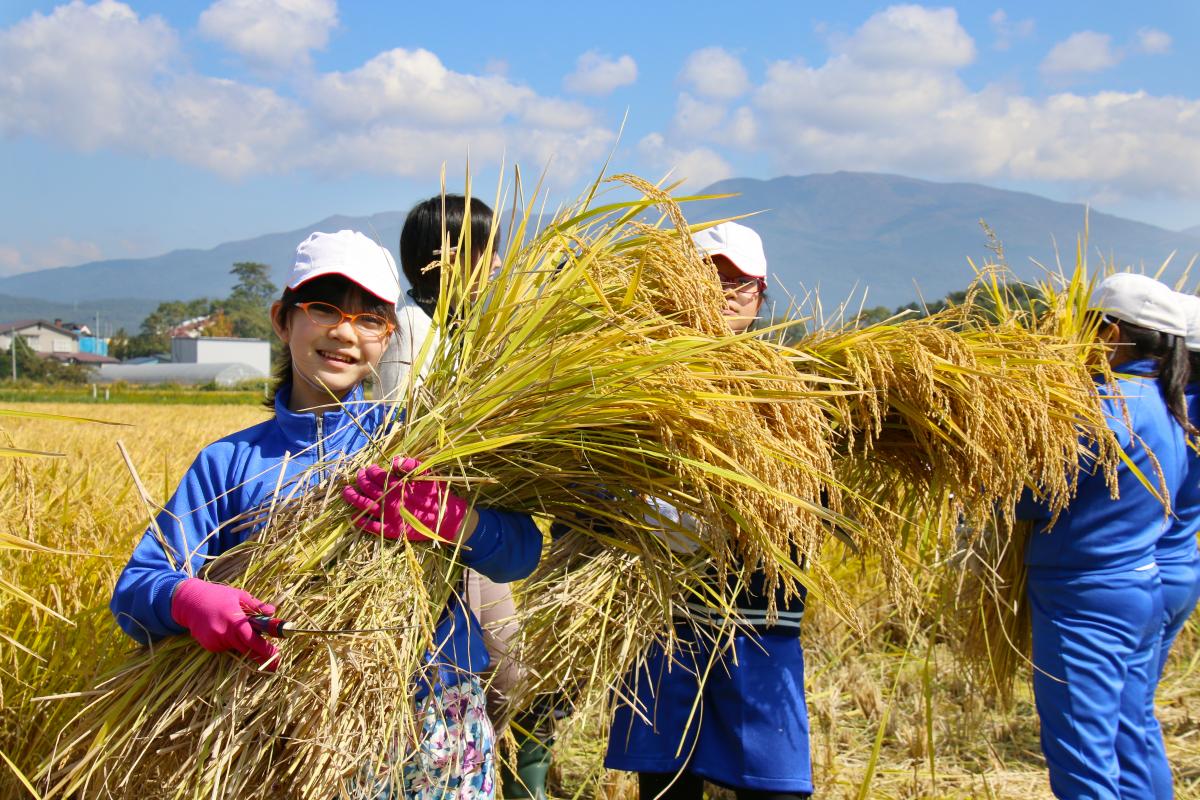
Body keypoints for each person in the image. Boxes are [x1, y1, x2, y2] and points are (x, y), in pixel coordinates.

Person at [110, 229, 543, 800]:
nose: (344, 331)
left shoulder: (425, 444)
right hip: (288, 729)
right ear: (282, 320)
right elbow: (136, 589)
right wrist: (189, 600)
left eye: (369, 318)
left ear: (388, 337)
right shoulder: (230, 464)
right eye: (324, 308)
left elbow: (522, 551)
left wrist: (456, 520)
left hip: (438, 718)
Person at [604, 221, 814, 800]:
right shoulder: (629, 380)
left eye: (741, 283)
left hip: (758, 621)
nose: (725, 292)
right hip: (663, 618)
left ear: (762, 297)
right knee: (666, 783)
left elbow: (810, 506)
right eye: (710, 276)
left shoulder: (791, 391)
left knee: (772, 783)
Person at [376, 194, 555, 800]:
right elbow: (410, 440)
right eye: (486, 250)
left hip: (468, 526)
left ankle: (509, 774)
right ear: (444, 259)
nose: (500, 263)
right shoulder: (411, 333)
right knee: (493, 669)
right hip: (419, 536)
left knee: (512, 672)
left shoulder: (475, 337)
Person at [1017, 272, 1189, 800]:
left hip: (1084, 600)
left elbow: (1034, 501)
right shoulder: (1168, 408)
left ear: (1111, 334)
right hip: (1140, 586)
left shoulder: (1101, 410)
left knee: (1083, 755)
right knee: (1129, 736)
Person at [1145, 291, 1200, 798]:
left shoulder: (1172, 409)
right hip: (1179, 566)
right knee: (1136, 713)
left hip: (1145, 571)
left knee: (1120, 722)